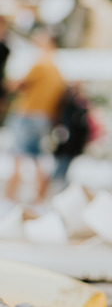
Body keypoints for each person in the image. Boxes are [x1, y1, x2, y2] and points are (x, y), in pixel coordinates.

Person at [4, 28, 67, 203]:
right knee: (38, 159)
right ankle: (38, 200)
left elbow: (16, 85)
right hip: (44, 117)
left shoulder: (40, 64)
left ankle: (8, 200)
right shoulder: (57, 69)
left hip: (27, 114)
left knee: (17, 158)